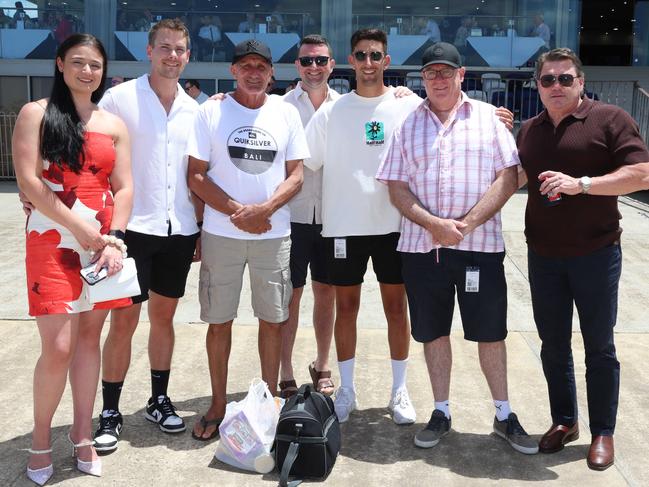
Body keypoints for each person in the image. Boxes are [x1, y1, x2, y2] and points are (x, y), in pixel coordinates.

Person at [376, 41, 538, 455]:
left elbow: (509, 176)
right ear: (422, 78)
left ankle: (503, 415)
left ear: (461, 75)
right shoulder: (408, 125)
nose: (439, 79)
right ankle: (441, 411)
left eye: (447, 72)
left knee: (490, 333)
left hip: (478, 247)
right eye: (431, 73)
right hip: (421, 249)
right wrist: (433, 224)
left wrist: (465, 224)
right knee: (433, 333)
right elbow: (395, 186)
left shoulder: (488, 119)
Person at [517, 47, 649, 470]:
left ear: (581, 81)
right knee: (553, 346)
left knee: (599, 347)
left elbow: (642, 172)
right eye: (547, 80)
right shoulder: (531, 129)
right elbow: (513, 174)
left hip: (595, 254)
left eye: (565, 78)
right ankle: (565, 421)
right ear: (537, 86)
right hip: (543, 256)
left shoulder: (609, 119)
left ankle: (603, 432)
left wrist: (583, 184)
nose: (556, 86)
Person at [12, 33, 133, 484]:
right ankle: (41, 439)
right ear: (60, 64)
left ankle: (82, 434)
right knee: (58, 347)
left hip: (103, 246)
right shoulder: (36, 114)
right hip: (51, 238)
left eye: (95, 65)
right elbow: (28, 180)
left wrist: (114, 238)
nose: (87, 71)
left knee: (88, 341)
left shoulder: (113, 123)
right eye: (78, 63)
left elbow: (124, 187)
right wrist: (81, 229)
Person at [187, 39, 309, 440]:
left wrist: (265, 211)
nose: (254, 72)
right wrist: (240, 212)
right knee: (219, 321)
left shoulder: (286, 113)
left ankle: (267, 400)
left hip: (273, 235)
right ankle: (219, 403)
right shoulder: (212, 111)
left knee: (272, 320)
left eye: (261, 66)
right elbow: (197, 175)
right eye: (246, 66)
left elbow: (296, 175)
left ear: (271, 73)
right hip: (222, 234)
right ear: (233, 71)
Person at [304, 29, 422, 425]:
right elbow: (305, 158)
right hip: (344, 226)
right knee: (347, 309)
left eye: (375, 55)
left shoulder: (408, 105)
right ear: (351, 61)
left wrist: (492, 112)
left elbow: (450, 113)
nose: (368, 63)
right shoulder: (332, 111)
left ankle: (399, 390)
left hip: (395, 224)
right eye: (361, 55)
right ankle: (348, 389)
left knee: (395, 308)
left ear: (386, 61)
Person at [93, 18, 200, 452]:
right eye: (165, 48)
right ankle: (111, 410)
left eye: (180, 50)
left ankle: (158, 400)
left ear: (187, 56)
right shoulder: (119, 99)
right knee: (124, 321)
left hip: (179, 229)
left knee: (164, 319)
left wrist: (202, 231)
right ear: (149, 51)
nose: (172, 56)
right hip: (132, 228)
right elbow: (95, 157)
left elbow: (199, 174)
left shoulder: (197, 109)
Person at [277, 35, 339, 399]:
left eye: (320, 61)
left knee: (326, 292)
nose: (313, 68)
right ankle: (285, 368)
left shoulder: (347, 107)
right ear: (297, 65)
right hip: (291, 215)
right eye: (306, 61)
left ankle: (322, 362)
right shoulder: (279, 106)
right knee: (291, 295)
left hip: (334, 216)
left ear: (332, 64)